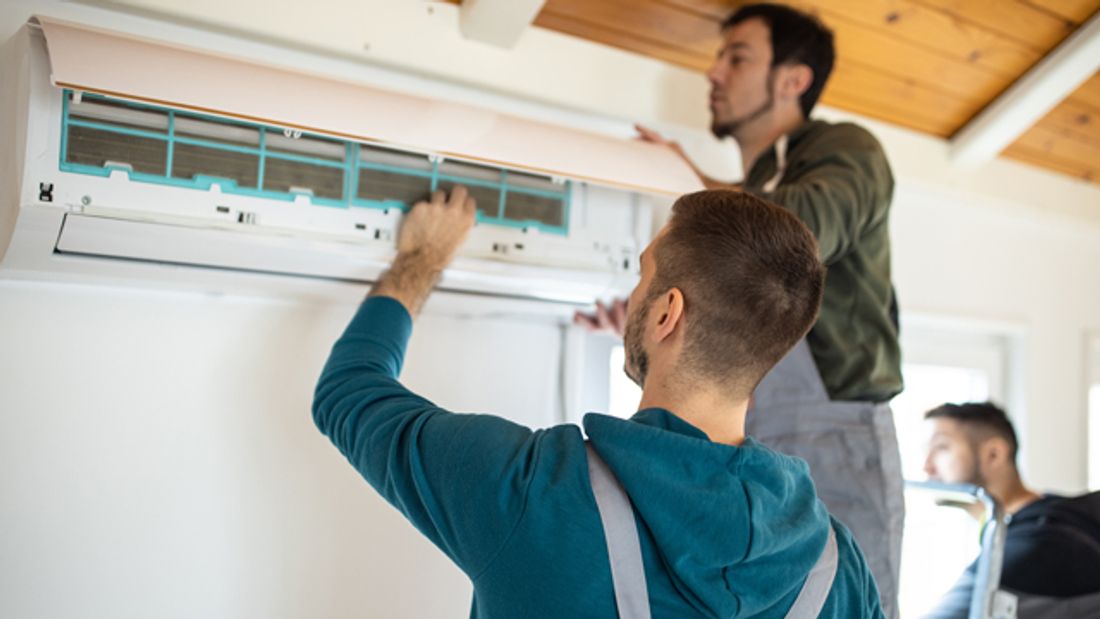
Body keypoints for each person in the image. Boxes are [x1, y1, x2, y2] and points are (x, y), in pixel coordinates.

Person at [313, 186, 885, 617]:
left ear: (667, 313)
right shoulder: (836, 566)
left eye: (642, 276)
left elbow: (347, 390)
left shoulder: (531, 490)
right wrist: (659, 348)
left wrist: (422, 259)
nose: (632, 293)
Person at [578, 5, 904, 614]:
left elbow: (793, 244)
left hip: (836, 430)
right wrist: (650, 323)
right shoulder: (758, 181)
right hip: (750, 431)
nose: (713, 71)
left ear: (793, 79)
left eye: (737, 56)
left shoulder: (844, 149)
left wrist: (697, 192)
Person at [921, 402, 1100, 617]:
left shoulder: (1035, 544)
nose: (927, 466)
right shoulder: (1052, 520)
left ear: (994, 454)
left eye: (941, 448)